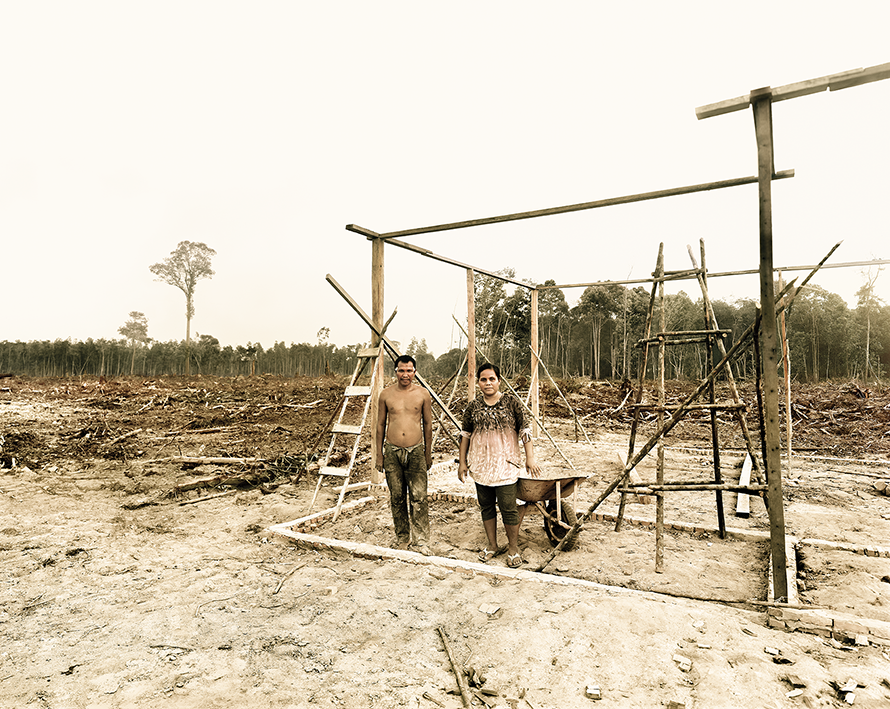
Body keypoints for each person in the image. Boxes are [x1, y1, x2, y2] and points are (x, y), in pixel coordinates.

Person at [458, 362, 541, 568]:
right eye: (483, 379)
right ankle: (492, 545)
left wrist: (530, 457)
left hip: (505, 465)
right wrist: (462, 462)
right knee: (486, 507)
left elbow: (525, 431)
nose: (488, 383)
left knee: (508, 508)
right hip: (481, 465)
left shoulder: (511, 403)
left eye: (491, 379)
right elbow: (465, 436)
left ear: (499, 380)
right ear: (478, 382)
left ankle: (513, 548)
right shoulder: (473, 407)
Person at [375, 354, 433, 555]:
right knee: (397, 497)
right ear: (395, 371)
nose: (405, 374)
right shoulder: (385, 394)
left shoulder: (423, 394)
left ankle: (421, 540)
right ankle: (402, 537)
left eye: (409, 370)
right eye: (401, 370)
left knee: (419, 497)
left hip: (416, 450)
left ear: (415, 372)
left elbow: (428, 425)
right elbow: (380, 424)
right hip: (392, 451)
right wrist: (379, 455)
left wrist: (427, 453)